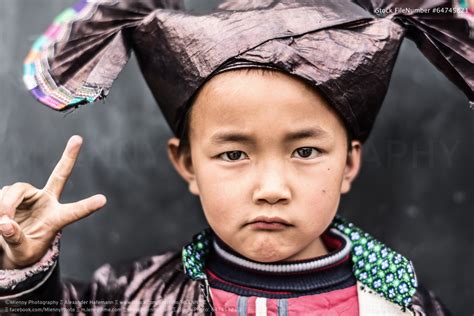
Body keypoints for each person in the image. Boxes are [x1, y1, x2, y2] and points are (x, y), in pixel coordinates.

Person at [0, 0, 472, 314]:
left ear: (349, 163)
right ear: (187, 164)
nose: (270, 190)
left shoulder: (400, 303)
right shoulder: (132, 297)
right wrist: (25, 270)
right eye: (233, 154)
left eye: (305, 151)